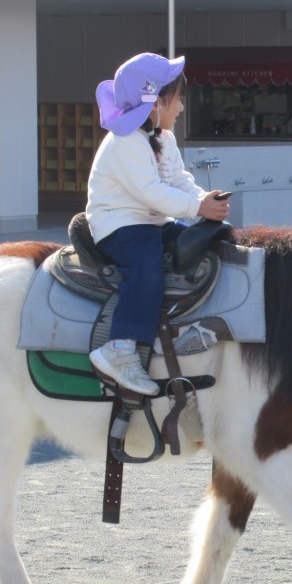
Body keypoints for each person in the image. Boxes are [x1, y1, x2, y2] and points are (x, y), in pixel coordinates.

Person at [87, 52, 231, 395]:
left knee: (204, 241)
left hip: (152, 221)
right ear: (154, 103)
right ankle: (120, 348)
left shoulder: (164, 138)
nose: (181, 107)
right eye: (177, 99)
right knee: (146, 265)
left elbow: (179, 180)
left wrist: (203, 201)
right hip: (120, 225)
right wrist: (197, 206)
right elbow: (150, 192)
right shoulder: (125, 141)